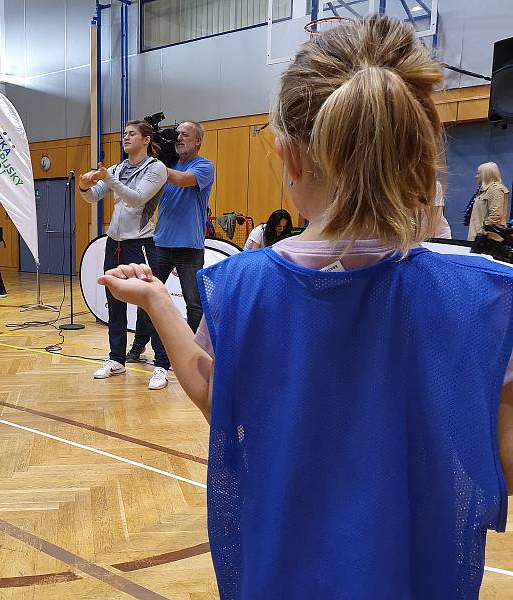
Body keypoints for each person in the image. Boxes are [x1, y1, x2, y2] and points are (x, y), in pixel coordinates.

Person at [99, 15, 513, 599]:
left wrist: (158, 304)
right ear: (420, 156)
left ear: (289, 157)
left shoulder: (239, 286)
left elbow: (219, 398)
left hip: (281, 576)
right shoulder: (486, 296)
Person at [79, 120, 169, 390]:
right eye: (124, 134)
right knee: (114, 300)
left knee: (150, 304)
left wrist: (108, 178)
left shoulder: (156, 168)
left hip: (140, 244)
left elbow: (136, 198)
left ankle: (162, 364)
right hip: (114, 242)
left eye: (132, 134)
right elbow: (94, 196)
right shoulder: (119, 168)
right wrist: (85, 186)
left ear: (145, 139)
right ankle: (116, 358)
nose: (126, 137)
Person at [125, 121, 214, 367]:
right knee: (147, 297)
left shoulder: (204, 166)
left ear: (198, 141)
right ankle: (138, 346)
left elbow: (184, 180)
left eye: (185, 135)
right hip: (161, 244)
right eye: (177, 135)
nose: (179, 138)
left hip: (189, 247)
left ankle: (194, 352)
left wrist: (156, 166)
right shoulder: (167, 164)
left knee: (194, 304)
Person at [468, 162, 509, 241]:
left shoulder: (496, 190)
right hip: (479, 237)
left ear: (486, 174)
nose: (476, 177)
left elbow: (495, 215)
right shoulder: (483, 190)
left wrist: (483, 232)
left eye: (478, 173)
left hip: (488, 240)